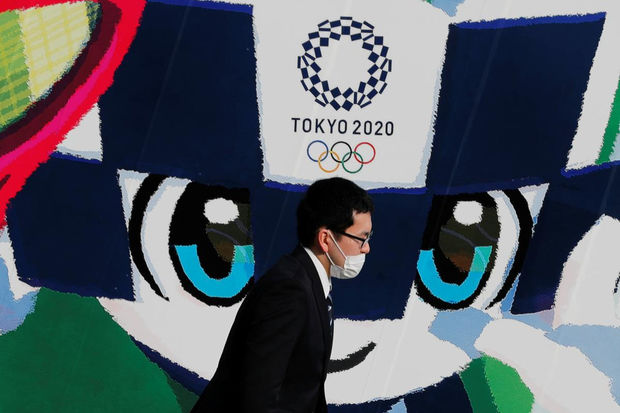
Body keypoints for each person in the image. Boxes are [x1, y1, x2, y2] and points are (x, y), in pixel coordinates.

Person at [191, 177, 374, 412]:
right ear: (326, 239)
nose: (366, 248)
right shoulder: (289, 289)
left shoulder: (310, 282)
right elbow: (258, 395)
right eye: (361, 238)